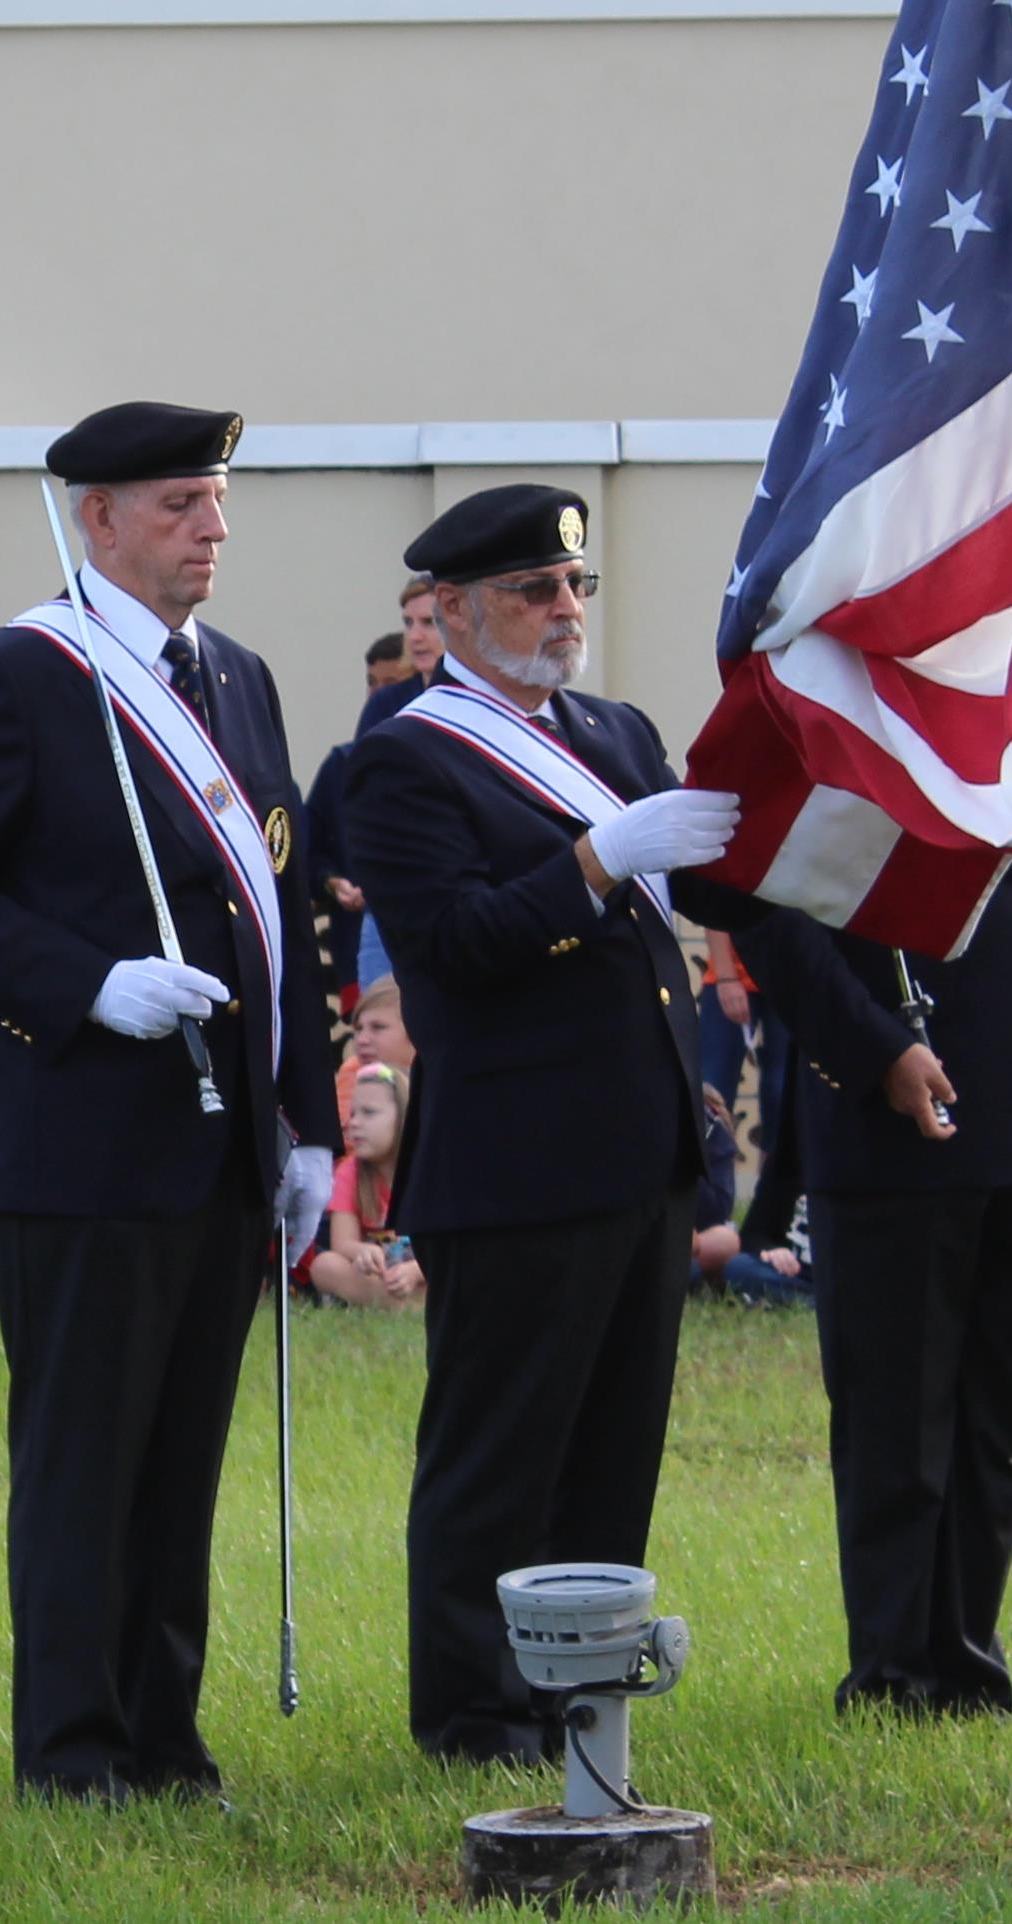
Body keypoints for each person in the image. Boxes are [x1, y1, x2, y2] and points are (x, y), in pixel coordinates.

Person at [326, 479, 754, 1768]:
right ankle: (472, 1712)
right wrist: (594, 858)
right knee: (496, 1455)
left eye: (575, 586)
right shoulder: (401, 755)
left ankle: (580, 1689)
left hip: (639, 1147)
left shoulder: (612, 729)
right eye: (532, 588)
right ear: (450, 611)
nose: (563, 609)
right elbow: (453, 950)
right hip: (514, 1158)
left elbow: (702, 876)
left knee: (612, 1448)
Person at [744, 865, 1012, 1717]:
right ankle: (893, 1673)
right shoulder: (852, 736)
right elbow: (773, 915)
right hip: (894, 1114)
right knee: (896, 1410)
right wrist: (874, 1045)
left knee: (997, 1416)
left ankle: (969, 1664)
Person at [303, 1064, 422, 1312]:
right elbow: (342, 1243)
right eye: (353, 1113)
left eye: (368, 1113)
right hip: (379, 1276)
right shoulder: (350, 1172)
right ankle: (409, 1306)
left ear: (404, 1118)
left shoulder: (425, 1171)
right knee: (324, 1265)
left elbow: (443, 1248)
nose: (353, 1123)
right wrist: (362, 1252)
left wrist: (414, 1272)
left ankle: (400, 1303)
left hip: (423, 1271)